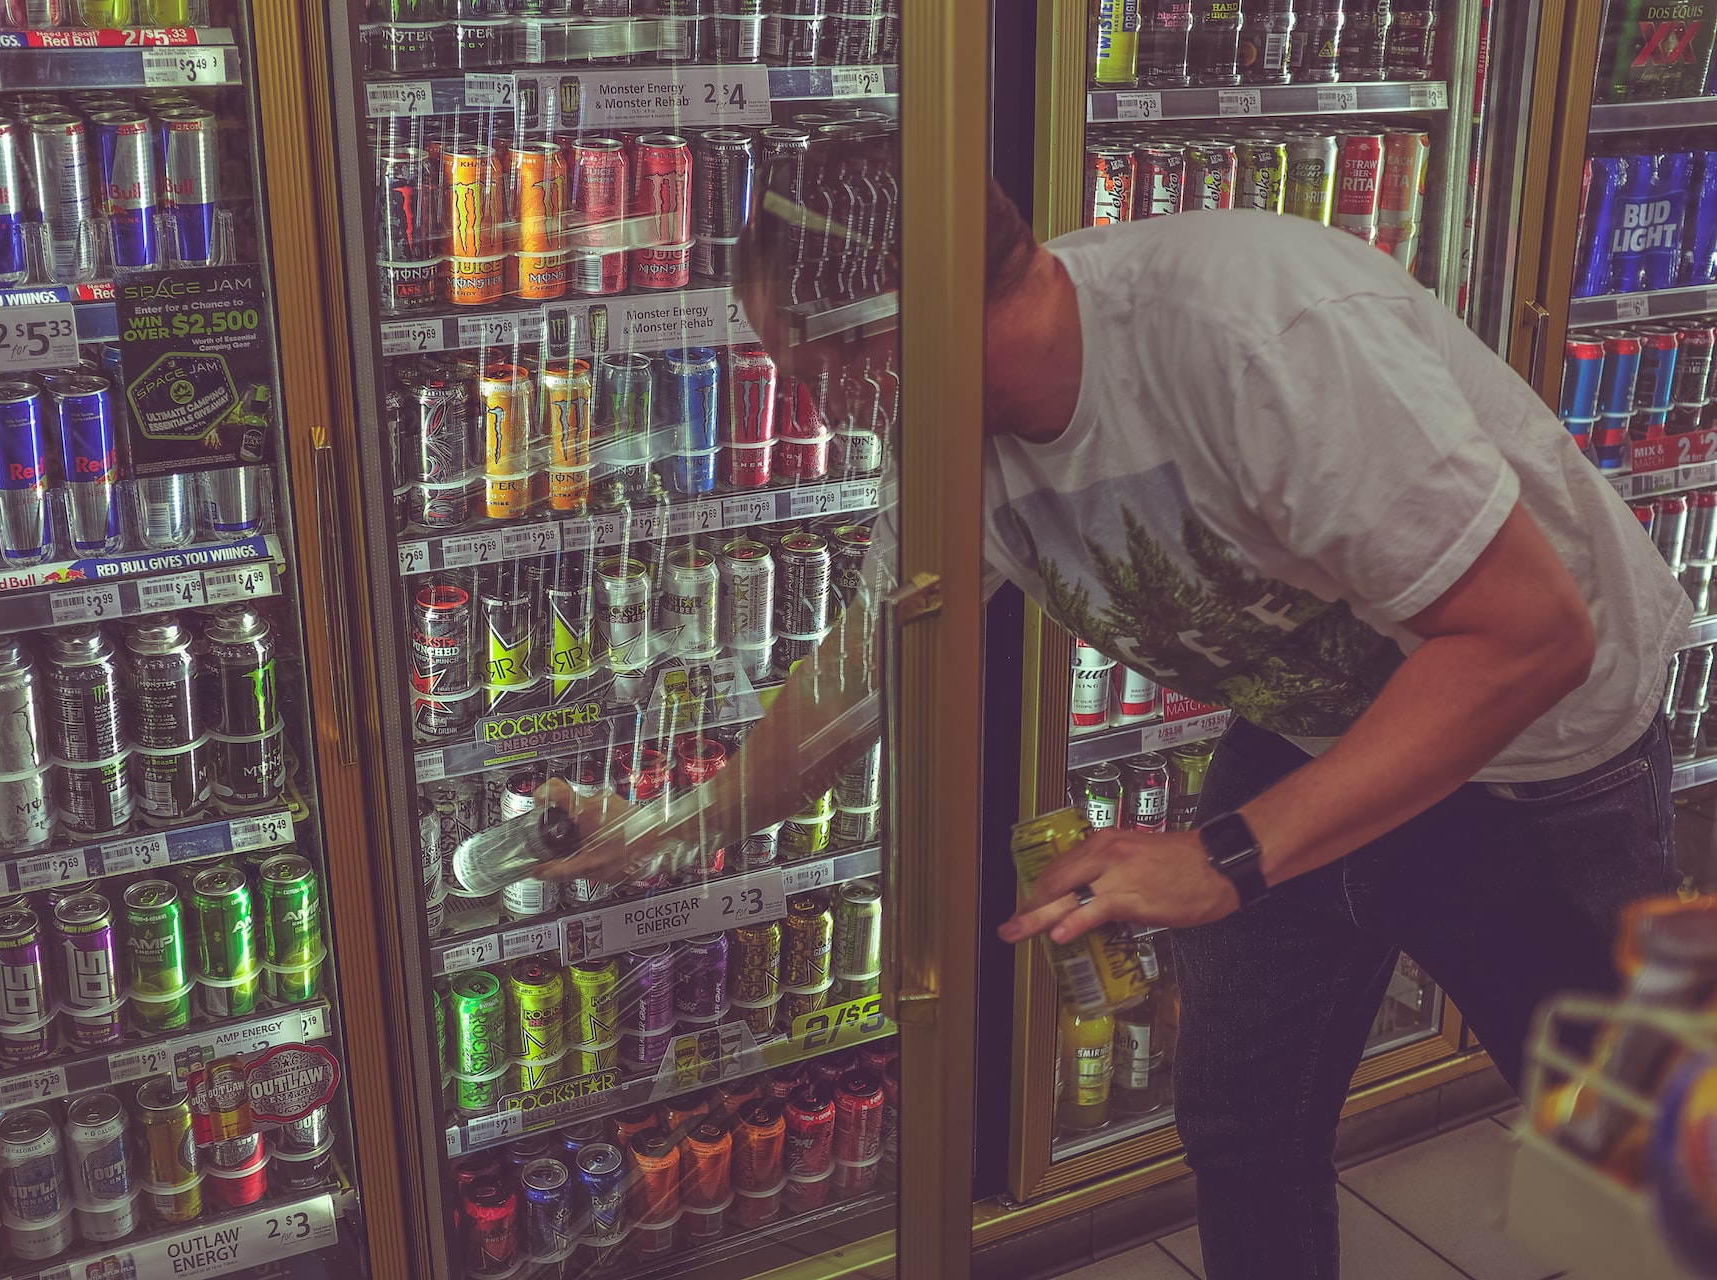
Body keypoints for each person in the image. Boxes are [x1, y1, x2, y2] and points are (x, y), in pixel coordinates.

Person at [538, 176, 1686, 1280]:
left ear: (885, 330)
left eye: (810, 371)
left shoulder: (1255, 335)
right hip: (1310, 732)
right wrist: (667, 827)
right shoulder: (951, 432)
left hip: (1541, 755)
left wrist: (1225, 856)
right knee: (1243, 1122)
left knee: (1625, 1152)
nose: (811, 411)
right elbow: (865, 674)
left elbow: (1531, 637)